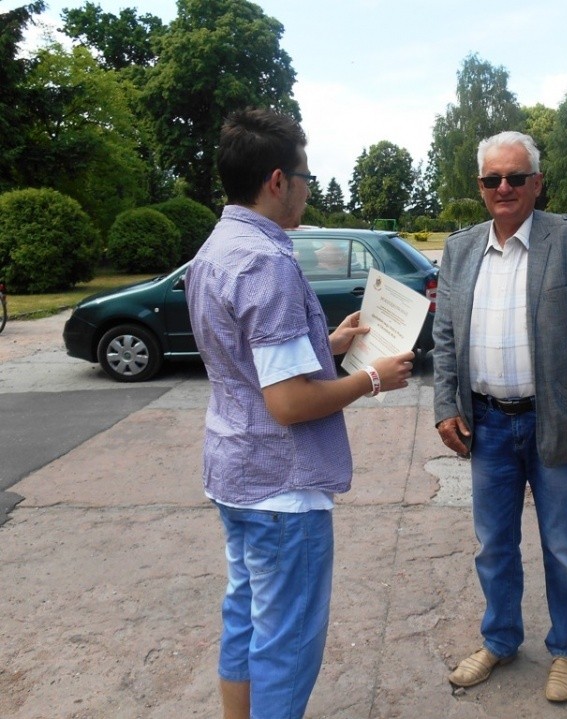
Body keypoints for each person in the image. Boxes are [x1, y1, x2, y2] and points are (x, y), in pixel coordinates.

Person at [185, 108, 414, 719]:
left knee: (245, 618)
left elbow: (246, 357)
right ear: (278, 180)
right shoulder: (267, 261)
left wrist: (326, 345)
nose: (309, 190)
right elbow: (288, 402)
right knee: (286, 644)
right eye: (306, 177)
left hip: (234, 472)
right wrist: (372, 377)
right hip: (281, 488)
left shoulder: (216, 248)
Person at [433, 130, 567, 703]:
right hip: (485, 424)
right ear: (480, 186)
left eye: (515, 177)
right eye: (493, 179)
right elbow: (444, 336)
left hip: (554, 423)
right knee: (493, 544)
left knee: (564, 547)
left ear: (537, 183)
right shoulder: (461, 249)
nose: (503, 187)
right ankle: (501, 639)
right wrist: (445, 407)